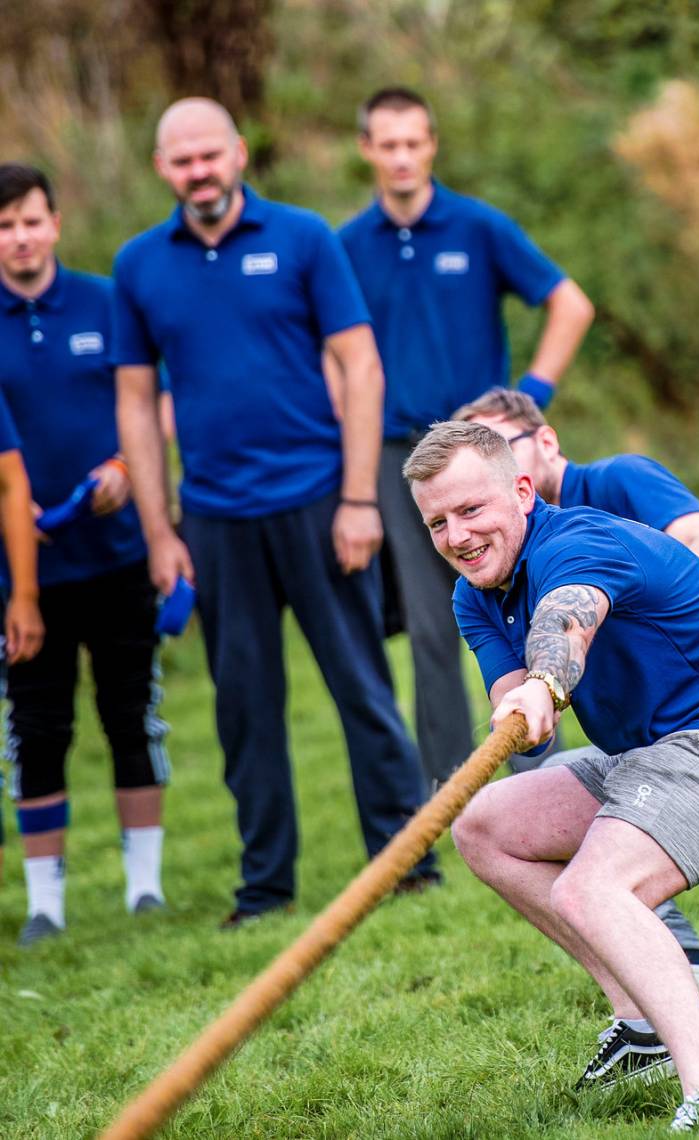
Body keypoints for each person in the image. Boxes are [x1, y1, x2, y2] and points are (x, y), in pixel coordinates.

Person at [404, 422, 699, 1131]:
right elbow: (524, 715)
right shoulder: (474, 596)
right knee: (484, 826)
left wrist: (546, 681)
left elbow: (567, 620)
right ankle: (642, 1023)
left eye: (471, 510)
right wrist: (525, 704)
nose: (458, 536)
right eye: (437, 522)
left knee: (592, 888)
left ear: (523, 491)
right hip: (654, 756)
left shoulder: (577, 543)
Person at [113, 98, 436, 927]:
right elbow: (136, 404)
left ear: (238, 154)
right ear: (163, 169)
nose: (200, 172)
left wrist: (361, 498)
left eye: (210, 155)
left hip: (321, 503)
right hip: (215, 519)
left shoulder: (302, 238)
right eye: (183, 160)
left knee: (362, 687)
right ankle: (265, 887)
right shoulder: (138, 265)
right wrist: (160, 532)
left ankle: (406, 862)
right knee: (244, 710)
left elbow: (361, 367)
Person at [454, 386, 699, 1014]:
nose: (491, 476)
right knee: (562, 786)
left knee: (690, 766)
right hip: (669, 734)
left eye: (502, 449)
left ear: (546, 444)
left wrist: (614, 602)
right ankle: (685, 965)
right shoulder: (496, 576)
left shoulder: (617, 482)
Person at [339, 86, 594, 787]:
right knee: (431, 628)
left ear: (432, 145)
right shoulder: (346, 247)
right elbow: (333, 356)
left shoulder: (478, 227)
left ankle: (547, 772)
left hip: (483, 451)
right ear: (367, 150)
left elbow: (571, 304)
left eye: (413, 142)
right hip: (400, 459)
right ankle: (454, 791)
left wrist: (531, 397)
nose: (401, 157)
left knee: (530, 605)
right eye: (388, 144)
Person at [1, 163, 162, 948]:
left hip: (117, 554)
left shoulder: (105, 301)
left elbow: (152, 404)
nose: (19, 237)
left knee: (130, 715)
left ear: (55, 223)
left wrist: (125, 469)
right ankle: (46, 905)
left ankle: (145, 887)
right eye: (4, 227)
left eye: (31, 220)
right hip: (24, 573)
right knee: (38, 728)